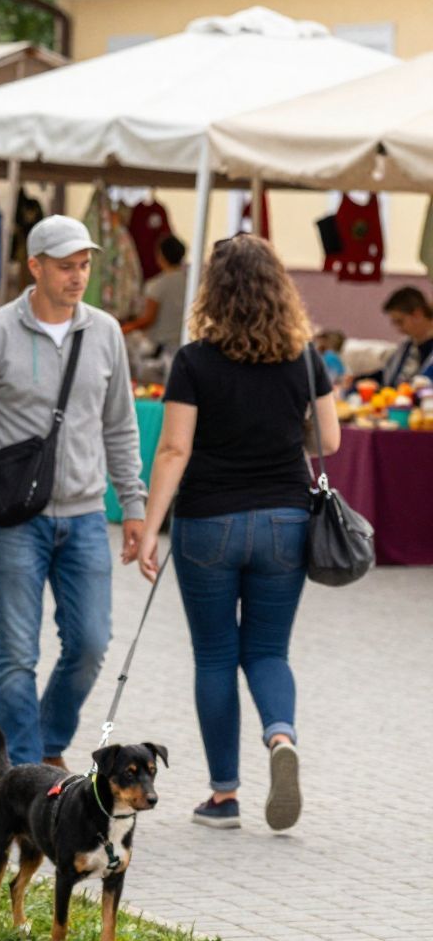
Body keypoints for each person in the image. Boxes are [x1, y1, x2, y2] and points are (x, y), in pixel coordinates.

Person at [137, 234, 340, 833]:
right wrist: (279, 435)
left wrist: (150, 529)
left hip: (208, 524)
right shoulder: (305, 357)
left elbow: (175, 447)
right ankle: (281, 736)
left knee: (216, 656)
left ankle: (224, 796)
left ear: (212, 291)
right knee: (269, 652)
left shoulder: (194, 360)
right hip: (284, 520)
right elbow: (327, 441)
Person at [0, 214, 147, 770]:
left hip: (85, 515)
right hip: (13, 518)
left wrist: (133, 503)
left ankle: (49, 737)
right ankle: (28, 769)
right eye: (65, 266)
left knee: (90, 644)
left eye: (84, 265)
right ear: (34, 268)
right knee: (16, 653)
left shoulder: (105, 332)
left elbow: (121, 425)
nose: (78, 276)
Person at [122, 233, 188, 361]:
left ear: (161, 256)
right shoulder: (190, 282)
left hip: (161, 350)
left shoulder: (157, 285)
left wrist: (125, 328)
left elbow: (148, 319)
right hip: (183, 344)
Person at [371, 285, 433, 388]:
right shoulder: (406, 346)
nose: (398, 329)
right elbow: (387, 374)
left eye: (400, 322)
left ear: (417, 315)